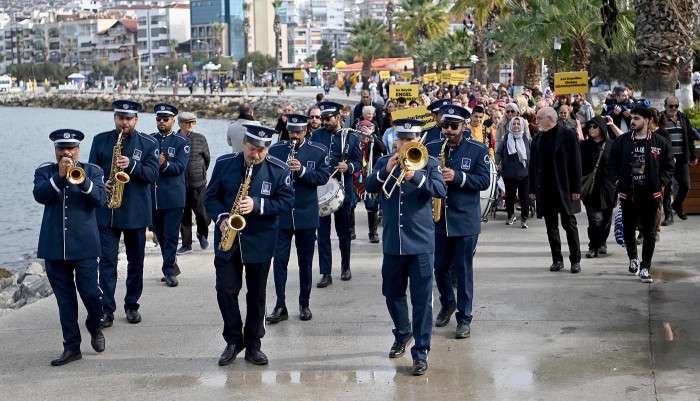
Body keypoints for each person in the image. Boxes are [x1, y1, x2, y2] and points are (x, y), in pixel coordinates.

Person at [204, 123, 294, 366]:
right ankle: (234, 341)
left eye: (262, 150)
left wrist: (258, 205)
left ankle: (254, 344)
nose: (256, 154)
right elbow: (210, 197)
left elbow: (286, 202)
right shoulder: (224, 164)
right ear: (244, 143)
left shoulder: (279, 169)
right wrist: (222, 217)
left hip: (260, 239)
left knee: (256, 295)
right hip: (228, 239)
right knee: (225, 291)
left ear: (268, 148)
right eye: (252, 149)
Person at [365, 118, 447, 376]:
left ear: (418, 140)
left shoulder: (430, 163)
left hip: (421, 243)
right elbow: (369, 187)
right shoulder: (384, 161)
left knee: (422, 301)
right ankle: (403, 332)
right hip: (393, 242)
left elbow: (440, 189)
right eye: (402, 139)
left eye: (410, 139)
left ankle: (421, 352)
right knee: (391, 292)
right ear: (396, 141)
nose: (405, 144)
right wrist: (385, 171)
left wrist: (416, 177)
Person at [34, 129, 106, 366]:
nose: (66, 152)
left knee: (91, 294)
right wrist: (60, 177)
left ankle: (94, 326)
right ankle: (72, 347)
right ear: (55, 150)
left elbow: (100, 199)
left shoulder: (93, 171)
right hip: (54, 247)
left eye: (71, 148)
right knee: (65, 301)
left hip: (85, 246)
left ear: (78, 150)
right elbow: (40, 195)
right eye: (61, 148)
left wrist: (82, 179)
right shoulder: (45, 172)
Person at [89, 100, 159, 327]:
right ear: (115, 118)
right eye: (121, 118)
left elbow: (153, 174)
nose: (124, 123)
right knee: (107, 262)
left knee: (135, 262)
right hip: (107, 212)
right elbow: (91, 171)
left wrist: (132, 165)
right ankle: (106, 310)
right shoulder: (100, 140)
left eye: (129, 119)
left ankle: (132, 305)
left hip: (135, 213)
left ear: (136, 120)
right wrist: (102, 183)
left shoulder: (149, 143)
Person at [426, 105, 490, 340]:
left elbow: (484, 181)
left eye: (454, 126)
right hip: (439, 219)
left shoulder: (477, 149)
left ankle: (464, 318)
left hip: (464, 221)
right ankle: (448, 303)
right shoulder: (432, 147)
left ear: (464, 126)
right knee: (440, 268)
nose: (449, 131)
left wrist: (458, 177)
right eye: (445, 126)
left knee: (463, 272)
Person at [266, 114, 331, 323]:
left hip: (306, 214)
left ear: (306, 131)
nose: (294, 135)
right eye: (291, 132)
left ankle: (304, 304)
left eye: (299, 132)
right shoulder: (276, 150)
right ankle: (280, 305)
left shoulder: (318, 150)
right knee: (279, 262)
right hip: (281, 215)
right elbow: (267, 177)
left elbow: (323, 177)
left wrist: (302, 170)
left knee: (305, 262)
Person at [609, 106, 674, 283]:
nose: (632, 121)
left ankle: (645, 267)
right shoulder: (622, 141)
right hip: (628, 193)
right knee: (628, 229)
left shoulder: (660, 142)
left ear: (647, 120)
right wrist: (617, 181)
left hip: (650, 195)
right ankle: (633, 258)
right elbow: (612, 164)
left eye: (637, 118)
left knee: (649, 232)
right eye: (632, 118)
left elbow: (669, 166)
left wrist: (660, 183)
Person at [311, 101, 361, 287]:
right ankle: (326, 273)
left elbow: (359, 162)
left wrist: (349, 167)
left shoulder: (351, 137)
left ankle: (345, 266)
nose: (324, 122)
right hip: (321, 190)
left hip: (343, 190)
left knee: (343, 232)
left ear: (338, 117)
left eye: (328, 119)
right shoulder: (316, 135)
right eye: (322, 119)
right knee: (322, 234)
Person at [529, 107, 583, 274]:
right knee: (551, 227)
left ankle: (575, 260)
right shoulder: (537, 138)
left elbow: (576, 162)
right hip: (545, 189)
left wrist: (576, 188)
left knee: (569, 225)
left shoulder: (568, 135)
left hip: (565, 188)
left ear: (550, 118)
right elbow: (532, 165)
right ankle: (557, 260)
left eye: (539, 118)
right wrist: (532, 189)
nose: (536, 121)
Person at [150, 104, 190, 287]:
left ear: (173, 120)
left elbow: (180, 167)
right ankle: (172, 264)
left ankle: (169, 271)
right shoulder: (149, 139)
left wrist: (164, 164)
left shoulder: (182, 142)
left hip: (173, 197)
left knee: (171, 236)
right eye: (159, 119)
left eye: (165, 119)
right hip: (154, 196)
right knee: (160, 235)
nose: (162, 122)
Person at [580, 116, 616, 258]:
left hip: (608, 188)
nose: (591, 129)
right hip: (590, 188)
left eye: (595, 126)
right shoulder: (584, 146)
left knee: (606, 219)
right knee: (594, 220)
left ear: (601, 128)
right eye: (589, 127)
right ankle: (593, 246)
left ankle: (602, 243)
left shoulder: (611, 145)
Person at [176, 112, 211, 254]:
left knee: (202, 213)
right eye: (187, 122)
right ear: (180, 124)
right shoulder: (174, 139)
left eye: (193, 122)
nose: (191, 125)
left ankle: (202, 235)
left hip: (198, 184)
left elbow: (207, 159)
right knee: (184, 215)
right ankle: (186, 244)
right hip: (180, 184)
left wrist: (200, 172)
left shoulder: (200, 138)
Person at [659, 96, 697, 225]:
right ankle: (668, 216)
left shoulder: (683, 117)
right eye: (671, 106)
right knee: (667, 188)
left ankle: (676, 204)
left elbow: (689, 137)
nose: (674, 108)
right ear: (665, 106)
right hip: (666, 159)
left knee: (685, 185)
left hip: (682, 158)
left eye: (676, 106)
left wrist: (692, 156)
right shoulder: (660, 118)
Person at [496, 116, 531, 228]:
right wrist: (497, 163)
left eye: (518, 124)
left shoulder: (526, 138)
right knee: (510, 197)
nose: (516, 126)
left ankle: (524, 218)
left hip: (524, 173)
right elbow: (499, 152)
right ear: (511, 125)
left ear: (522, 126)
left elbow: (531, 154)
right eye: (514, 124)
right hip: (509, 173)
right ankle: (511, 215)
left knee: (524, 197)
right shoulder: (506, 138)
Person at [356, 119, 386, 243]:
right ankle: (350, 230)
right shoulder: (355, 141)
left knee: (372, 204)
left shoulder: (374, 141)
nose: (364, 134)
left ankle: (373, 233)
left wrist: (371, 135)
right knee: (351, 203)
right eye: (362, 130)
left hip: (370, 174)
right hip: (357, 175)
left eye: (367, 129)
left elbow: (383, 149)